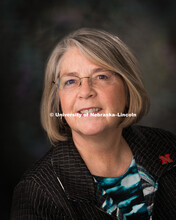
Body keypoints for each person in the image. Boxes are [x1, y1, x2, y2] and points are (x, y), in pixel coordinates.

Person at [11, 28, 176, 220]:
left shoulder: (167, 145)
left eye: (101, 76)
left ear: (127, 88)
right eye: (71, 81)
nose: (86, 91)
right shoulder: (36, 191)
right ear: (58, 100)